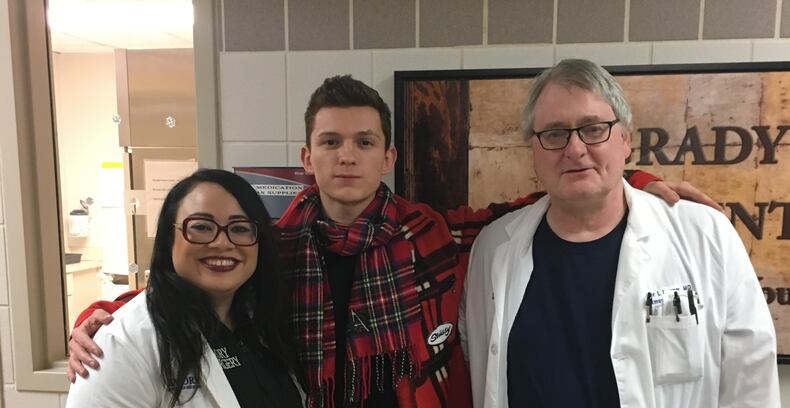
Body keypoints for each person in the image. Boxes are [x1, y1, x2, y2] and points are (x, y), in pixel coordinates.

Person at [66, 75, 720, 408]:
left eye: (363, 142)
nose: (346, 156)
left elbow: (539, 201)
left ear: (389, 156)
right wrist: (97, 317)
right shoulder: (273, 244)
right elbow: (194, 285)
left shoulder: (433, 233)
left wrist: (632, 178)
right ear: (307, 156)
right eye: (330, 142)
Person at [460, 59, 780, 408]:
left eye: (593, 128)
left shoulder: (706, 236)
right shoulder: (492, 250)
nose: (575, 149)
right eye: (554, 133)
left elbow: (752, 381)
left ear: (626, 139)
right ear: (533, 150)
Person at [66, 169, 303, 407]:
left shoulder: (263, 320)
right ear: (169, 237)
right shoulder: (120, 346)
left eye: (240, 228)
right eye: (201, 227)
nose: (222, 242)